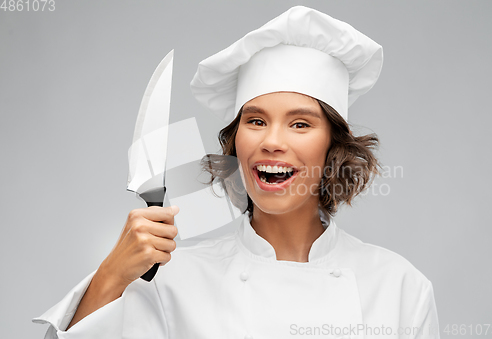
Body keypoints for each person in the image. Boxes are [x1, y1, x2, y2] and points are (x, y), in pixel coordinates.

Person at [33, 6, 440, 339]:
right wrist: (111, 275)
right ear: (235, 144)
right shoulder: (172, 281)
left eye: (300, 124)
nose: (271, 141)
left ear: (334, 146)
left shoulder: (400, 287)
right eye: (256, 121)